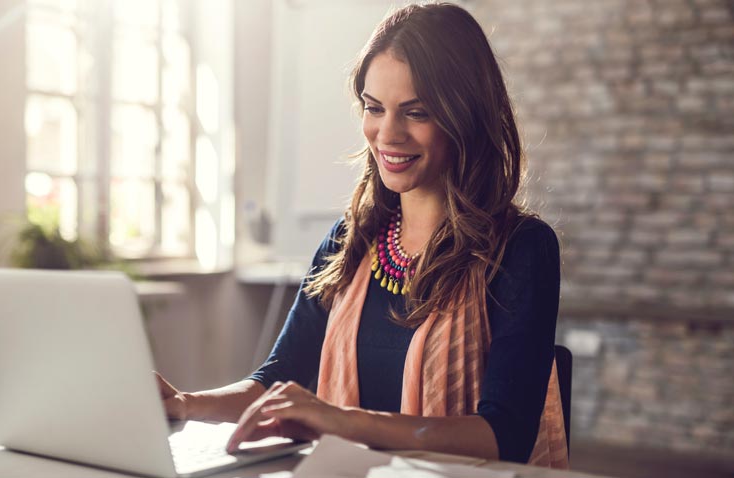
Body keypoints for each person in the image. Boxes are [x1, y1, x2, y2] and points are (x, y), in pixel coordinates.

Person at [156, 2, 569, 468]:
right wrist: (185, 404)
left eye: (415, 113)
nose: (387, 134)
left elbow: (505, 437)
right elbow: (277, 380)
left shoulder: (523, 247)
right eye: (374, 108)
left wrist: (341, 420)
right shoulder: (350, 240)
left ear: (465, 116)